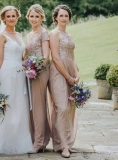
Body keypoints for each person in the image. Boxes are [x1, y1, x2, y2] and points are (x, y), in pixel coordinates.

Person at [0, 6, 33, 154]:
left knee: (18, 107)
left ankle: (17, 142)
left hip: (20, 74)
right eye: (8, 16)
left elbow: (22, 56)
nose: (11, 18)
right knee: (7, 106)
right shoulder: (1, 36)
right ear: (3, 18)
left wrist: (29, 65)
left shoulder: (19, 34)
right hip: (6, 72)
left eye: (13, 16)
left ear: (17, 17)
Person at [48, 5, 79, 158]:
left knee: (71, 106)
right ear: (55, 18)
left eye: (66, 15)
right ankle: (63, 146)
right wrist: (67, 77)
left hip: (71, 72)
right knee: (61, 106)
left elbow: (72, 57)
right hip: (57, 73)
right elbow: (55, 57)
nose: (64, 18)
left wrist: (76, 73)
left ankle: (66, 141)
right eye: (61, 15)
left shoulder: (69, 35)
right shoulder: (53, 34)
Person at [25, 4, 51, 153]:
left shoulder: (43, 33)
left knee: (38, 105)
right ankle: (34, 138)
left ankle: (39, 142)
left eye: (37, 16)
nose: (34, 19)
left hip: (40, 72)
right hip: (30, 72)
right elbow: (27, 55)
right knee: (32, 107)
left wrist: (36, 67)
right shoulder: (29, 35)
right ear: (28, 17)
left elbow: (46, 57)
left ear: (41, 17)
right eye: (32, 16)